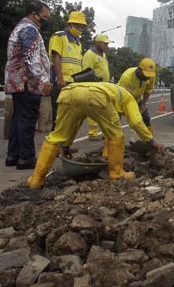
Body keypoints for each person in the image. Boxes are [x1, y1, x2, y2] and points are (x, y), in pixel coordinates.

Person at [27, 82, 165, 188]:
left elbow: (74, 123)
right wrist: (151, 141)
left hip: (69, 93)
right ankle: (117, 173)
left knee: (57, 136)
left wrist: (66, 147)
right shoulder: (130, 99)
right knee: (116, 135)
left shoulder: (112, 89)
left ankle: (36, 180)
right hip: (97, 96)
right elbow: (136, 122)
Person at [4, 0, 53, 169]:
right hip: (26, 81)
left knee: (19, 118)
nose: (47, 20)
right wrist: (43, 79)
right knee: (28, 119)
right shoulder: (29, 30)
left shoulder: (20, 28)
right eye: (45, 17)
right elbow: (31, 57)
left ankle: (13, 155)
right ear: (34, 14)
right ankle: (26, 157)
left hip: (17, 80)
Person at [48, 11, 87, 129]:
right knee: (59, 115)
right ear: (70, 24)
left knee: (71, 116)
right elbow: (56, 57)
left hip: (74, 83)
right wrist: (59, 78)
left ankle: (65, 146)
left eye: (82, 27)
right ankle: (54, 146)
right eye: (78, 26)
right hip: (61, 82)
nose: (80, 29)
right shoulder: (59, 37)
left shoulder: (78, 43)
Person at [81, 33, 113, 140]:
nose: (107, 46)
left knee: (105, 110)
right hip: (94, 87)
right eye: (105, 44)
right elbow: (86, 72)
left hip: (104, 87)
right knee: (93, 110)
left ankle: (105, 132)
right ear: (98, 43)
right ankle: (93, 133)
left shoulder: (103, 55)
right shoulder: (89, 55)